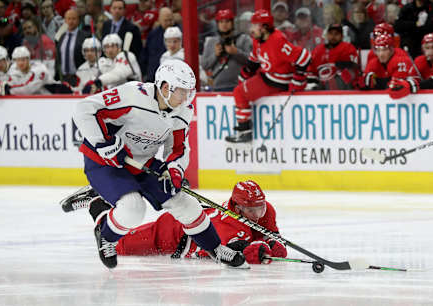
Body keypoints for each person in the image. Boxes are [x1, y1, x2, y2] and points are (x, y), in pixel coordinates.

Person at [71, 59, 248, 269]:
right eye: (182, 91)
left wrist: (175, 170)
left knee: (185, 203)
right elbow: (84, 109)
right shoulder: (132, 95)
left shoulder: (182, 110)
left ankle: (216, 249)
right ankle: (106, 235)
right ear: (165, 87)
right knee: (133, 209)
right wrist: (104, 143)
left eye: (189, 92)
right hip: (106, 162)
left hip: (142, 162)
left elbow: (178, 148)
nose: (186, 98)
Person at [116, 180, 287, 265]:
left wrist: (274, 243)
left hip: (194, 219)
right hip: (172, 232)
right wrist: (255, 251)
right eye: (252, 210)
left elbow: (272, 236)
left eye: (261, 207)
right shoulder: (228, 224)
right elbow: (232, 252)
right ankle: (99, 208)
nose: (258, 214)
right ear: (237, 208)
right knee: (119, 245)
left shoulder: (266, 211)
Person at [225, 9, 310, 143]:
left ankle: (244, 131)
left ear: (264, 27)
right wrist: (248, 70)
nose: (251, 29)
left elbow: (304, 57)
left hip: (276, 80)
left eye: (254, 25)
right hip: (268, 75)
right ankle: (244, 129)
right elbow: (255, 58)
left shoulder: (277, 41)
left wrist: (299, 77)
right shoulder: (257, 39)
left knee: (239, 93)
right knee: (241, 87)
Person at [201, 9, 252, 92]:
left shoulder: (244, 39)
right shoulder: (211, 42)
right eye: (221, 22)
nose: (224, 24)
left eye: (227, 21)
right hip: (217, 87)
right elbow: (204, 65)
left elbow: (251, 62)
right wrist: (215, 55)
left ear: (232, 23)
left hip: (240, 86)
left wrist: (236, 52)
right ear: (217, 24)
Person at [360, 34, 419, 100]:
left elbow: (395, 87)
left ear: (391, 50)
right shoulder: (373, 63)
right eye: (378, 50)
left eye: (384, 50)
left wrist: (376, 82)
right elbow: (363, 85)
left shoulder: (400, 60)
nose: (381, 54)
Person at [306, 24, 359, 90]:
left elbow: (354, 71)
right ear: (327, 35)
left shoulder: (348, 48)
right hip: (322, 89)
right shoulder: (318, 50)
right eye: (331, 34)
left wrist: (345, 65)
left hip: (344, 89)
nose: (333, 36)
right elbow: (311, 70)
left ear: (342, 36)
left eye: (336, 34)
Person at [56, 9, 91, 87]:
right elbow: (58, 57)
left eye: (73, 18)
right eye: (68, 19)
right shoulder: (62, 36)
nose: (71, 21)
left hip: (79, 77)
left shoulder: (85, 36)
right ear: (65, 20)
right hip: (64, 78)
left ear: (78, 20)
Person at [141, 7, 176, 82]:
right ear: (159, 20)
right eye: (166, 20)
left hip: (171, 77)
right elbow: (145, 55)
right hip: (153, 76)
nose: (169, 23)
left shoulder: (179, 33)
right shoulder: (153, 34)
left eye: (170, 20)